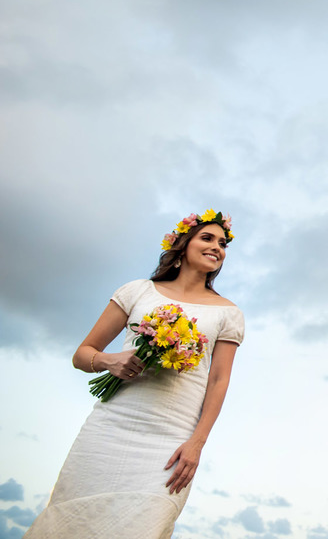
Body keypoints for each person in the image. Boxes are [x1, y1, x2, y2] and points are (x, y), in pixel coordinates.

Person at [26, 210, 245, 538]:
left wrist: (197, 443)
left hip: (171, 441)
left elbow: (218, 380)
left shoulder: (228, 313)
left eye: (223, 243)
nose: (218, 247)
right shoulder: (138, 291)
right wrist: (110, 362)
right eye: (208, 238)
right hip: (108, 430)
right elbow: (82, 354)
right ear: (182, 243)